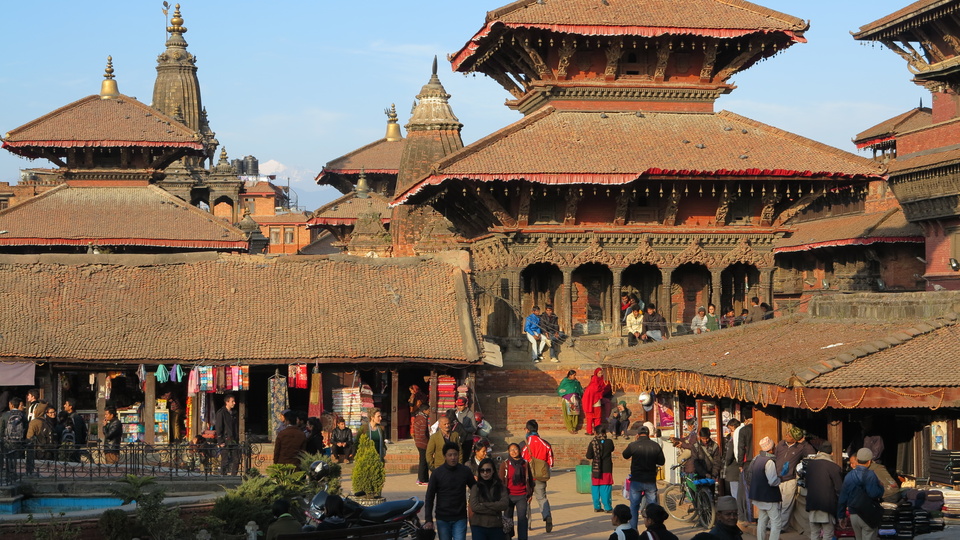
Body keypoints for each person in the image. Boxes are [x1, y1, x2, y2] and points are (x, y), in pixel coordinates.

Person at [424, 441, 476, 540]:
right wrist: (428, 519)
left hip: (460, 517)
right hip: (443, 518)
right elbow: (429, 497)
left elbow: (475, 489)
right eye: (450, 455)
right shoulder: (437, 473)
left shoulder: (465, 471)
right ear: (445, 456)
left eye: (455, 454)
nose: (453, 458)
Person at [622, 425, 665, 530]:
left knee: (634, 506)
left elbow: (625, 455)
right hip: (650, 480)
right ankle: (654, 529)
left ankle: (633, 529)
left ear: (638, 434)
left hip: (636, 480)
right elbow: (661, 461)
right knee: (652, 507)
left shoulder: (633, 445)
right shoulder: (655, 445)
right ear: (648, 434)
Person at [837, 448, 884, 540]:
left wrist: (841, 516)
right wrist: (881, 487)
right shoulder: (871, 475)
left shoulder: (848, 476)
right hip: (868, 514)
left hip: (854, 514)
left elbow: (842, 498)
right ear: (869, 461)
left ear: (857, 460)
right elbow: (874, 494)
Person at [774, 427, 814, 530]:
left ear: (795, 439)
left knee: (786, 505)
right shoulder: (781, 444)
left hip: (790, 479)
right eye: (787, 434)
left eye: (789, 435)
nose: (786, 436)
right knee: (776, 504)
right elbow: (774, 457)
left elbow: (812, 454)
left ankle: (781, 527)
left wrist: (803, 442)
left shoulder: (800, 447)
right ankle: (773, 524)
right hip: (777, 478)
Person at [803, 441, 843, 540]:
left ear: (819, 452)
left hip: (812, 505)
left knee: (814, 533)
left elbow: (806, 484)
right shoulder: (834, 467)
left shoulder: (810, 466)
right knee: (828, 534)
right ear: (832, 453)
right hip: (827, 507)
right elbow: (839, 489)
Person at [522, 419, 554, 533]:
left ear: (527, 430)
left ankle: (527, 524)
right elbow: (551, 462)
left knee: (526, 500)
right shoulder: (545, 444)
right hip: (541, 476)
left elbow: (522, 461)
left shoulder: (525, 444)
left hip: (527, 477)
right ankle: (547, 516)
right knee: (542, 498)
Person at [749, 437, 781, 540]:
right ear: (771, 449)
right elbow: (772, 481)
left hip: (758, 496)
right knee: (776, 522)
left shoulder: (757, 458)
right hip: (768, 497)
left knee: (762, 521)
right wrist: (780, 479)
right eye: (774, 447)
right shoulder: (769, 461)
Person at [500, 442, 534, 540]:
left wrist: (530, 493)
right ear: (508, 452)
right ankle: (508, 537)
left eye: (515, 449)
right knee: (507, 519)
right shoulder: (505, 464)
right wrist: (502, 495)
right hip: (508, 496)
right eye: (511, 450)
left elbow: (530, 479)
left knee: (522, 518)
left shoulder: (525, 463)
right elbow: (501, 480)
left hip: (522, 495)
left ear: (519, 450)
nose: (513, 452)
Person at [470, 457, 509, 540]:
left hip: (496, 526)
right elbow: (474, 506)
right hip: (479, 525)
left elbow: (504, 504)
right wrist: (495, 509)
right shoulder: (475, 487)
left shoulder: (500, 487)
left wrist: (484, 504)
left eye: (488, 470)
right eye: (482, 471)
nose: (485, 473)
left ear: (493, 471)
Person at [586, 427, 615, 513]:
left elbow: (589, 456)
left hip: (596, 469)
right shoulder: (609, 442)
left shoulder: (593, 443)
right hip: (606, 468)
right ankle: (607, 507)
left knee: (595, 488)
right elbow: (612, 449)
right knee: (605, 488)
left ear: (595, 432)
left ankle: (597, 506)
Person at [733, 416, 754, 524]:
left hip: (748, 463)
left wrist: (740, 464)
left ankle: (750, 518)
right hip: (760, 461)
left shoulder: (744, 430)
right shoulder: (758, 427)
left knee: (747, 492)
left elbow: (741, 448)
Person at [214, 393, 240, 475]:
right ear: (227, 402)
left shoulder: (234, 413)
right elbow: (219, 427)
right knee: (225, 460)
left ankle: (233, 476)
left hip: (233, 439)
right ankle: (223, 476)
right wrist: (220, 440)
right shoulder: (221, 413)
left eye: (234, 401)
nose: (234, 403)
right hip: (225, 439)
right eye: (232, 401)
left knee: (236, 459)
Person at [582, 368, 612, 436]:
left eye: (601, 373)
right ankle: (597, 432)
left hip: (592, 404)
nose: (600, 374)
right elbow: (599, 391)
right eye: (599, 373)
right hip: (595, 403)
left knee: (592, 418)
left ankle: (590, 431)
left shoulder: (592, 385)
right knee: (596, 418)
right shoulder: (597, 384)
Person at [557, 370, 583, 434]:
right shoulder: (565, 382)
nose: (575, 377)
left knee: (575, 414)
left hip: (575, 399)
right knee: (569, 414)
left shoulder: (576, 382)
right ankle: (570, 428)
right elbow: (561, 390)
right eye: (574, 375)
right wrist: (567, 396)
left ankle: (574, 427)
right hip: (567, 399)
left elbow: (579, 389)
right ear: (570, 375)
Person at [722, 419, 742, 499]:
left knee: (735, 493)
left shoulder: (733, 441)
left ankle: (738, 506)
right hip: (739, 470)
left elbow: (729, 456)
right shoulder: (740, 439)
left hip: (733, 470)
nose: (730, 432)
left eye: (731, 430)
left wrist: (726, 462)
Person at [412, 404, 431, 486]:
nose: (429, 411)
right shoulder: (423, 420)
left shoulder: (418, 418)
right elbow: (423, 434)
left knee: (423, 461)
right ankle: (422, 479)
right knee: (423, 462)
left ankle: (424, 479)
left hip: (418, 442)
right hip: (423, 443)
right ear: (424, 410)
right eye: (428, 410)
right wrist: (428, 442)